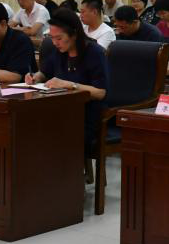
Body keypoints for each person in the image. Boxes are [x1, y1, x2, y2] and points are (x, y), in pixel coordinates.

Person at [25, 9, 108, 151]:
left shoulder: (95, 53)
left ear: (74, 34)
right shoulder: (60, 51)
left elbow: (100, 93)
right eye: (51, 38)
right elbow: (44, 72)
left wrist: (70, 85)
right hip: (59, 110)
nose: (54, 43)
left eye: (59, 38)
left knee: (48, 136)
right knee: (28, 128)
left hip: (85, 116)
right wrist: (35, 77)